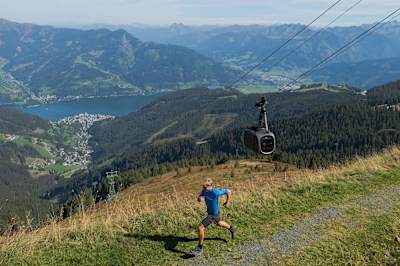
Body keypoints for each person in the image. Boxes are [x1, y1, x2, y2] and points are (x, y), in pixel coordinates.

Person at [191, 178, 236, 256]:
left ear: (209, 186)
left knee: (200, 227)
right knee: (218, 223)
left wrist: (227, 202)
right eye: (203, 187)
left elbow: (228, 191)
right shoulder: (204, 190)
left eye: (205, 187)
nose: (204, 188)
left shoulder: (215, 192)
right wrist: (199, 198)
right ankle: (232, 228)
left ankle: (199, 248)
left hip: (213, 214)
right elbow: (201, 195)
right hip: (212, 213)